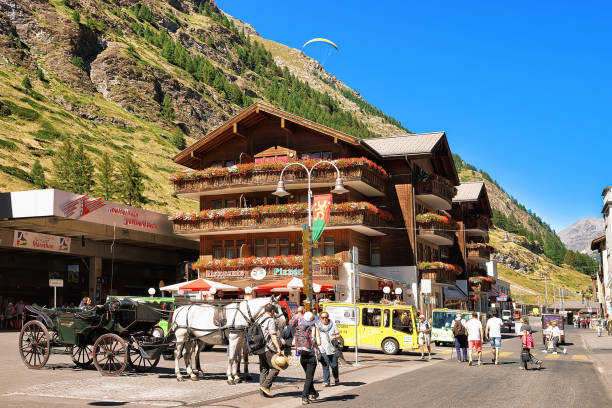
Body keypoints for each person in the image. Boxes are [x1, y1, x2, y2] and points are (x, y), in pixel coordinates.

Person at [295, 311, 321, 405]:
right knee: (309, 378)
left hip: (302, 356)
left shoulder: (299, 329)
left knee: (308, 377)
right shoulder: (314, 329)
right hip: (311, 356)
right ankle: (304, 397)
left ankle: (313, 393)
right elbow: (319, 343)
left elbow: (294, 343)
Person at [258, 304, 283, 398]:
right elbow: (273, 335)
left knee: (264, 369)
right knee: (276, 367)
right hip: (268, 348)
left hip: (259, 347)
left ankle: (263, 392)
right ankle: (265, 386)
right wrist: (278, 348)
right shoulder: (270, 319)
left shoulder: (259, 319)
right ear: (272, 311)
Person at [316, 311, 341, 386]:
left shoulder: (332, 325)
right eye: (323, 317)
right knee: (325, 365)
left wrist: (334, 337)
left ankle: (336, 378)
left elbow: (338, 335)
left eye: (326, 317)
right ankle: (326, 381)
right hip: (322, 348)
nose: (324, 319)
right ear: (320, 318)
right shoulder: (317, 326)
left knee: (334, 366)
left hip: (332, 348)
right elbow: (315, 336)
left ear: (328, 317)